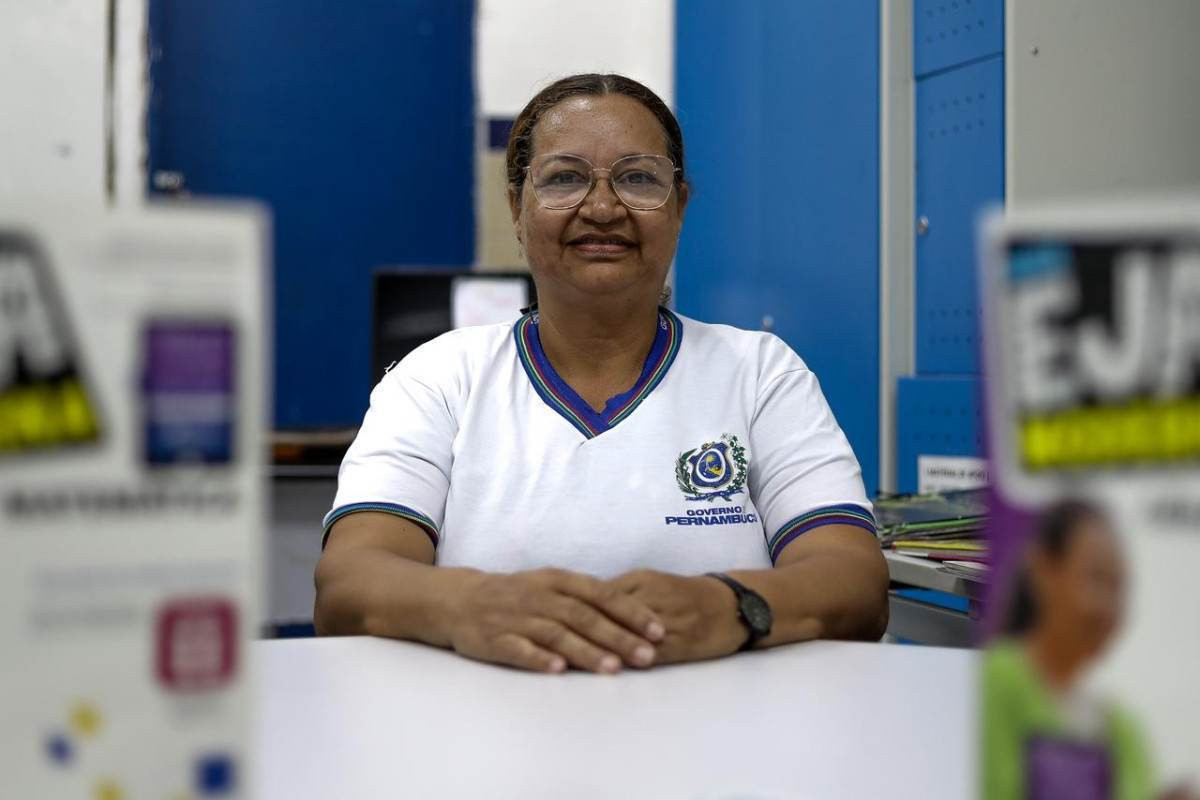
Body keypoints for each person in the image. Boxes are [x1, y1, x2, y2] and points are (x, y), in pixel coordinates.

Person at [314, 73, 888, 674]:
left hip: (723, 744)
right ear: (517, 206)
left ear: (680, 205)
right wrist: (473, 604)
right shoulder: (437, 377)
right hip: (484, 744)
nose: (604, 207)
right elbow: (349, 583)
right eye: (564, 179)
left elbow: (854, 581)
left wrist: (730, 605)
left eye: (639, 179)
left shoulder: (760, 373)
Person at [983, 499, 1158, 800]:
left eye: (1119, 587)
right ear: (1042, 569)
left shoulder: (1121, 728)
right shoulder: (995, 684)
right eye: (1097, 578)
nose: (1109, 606)